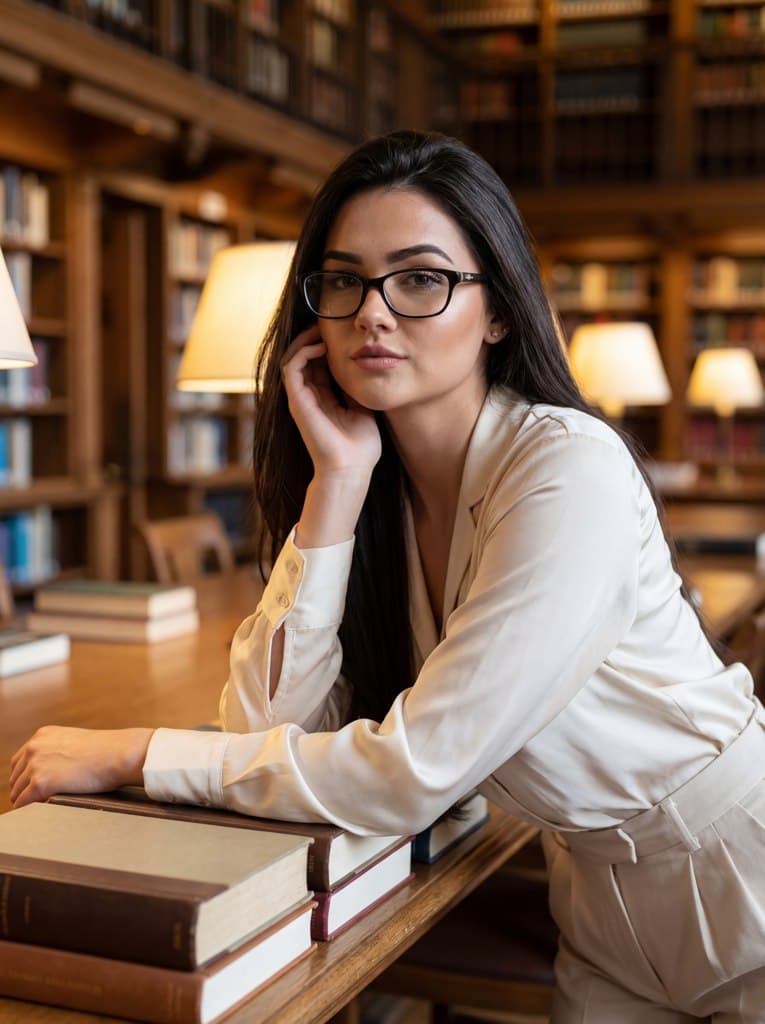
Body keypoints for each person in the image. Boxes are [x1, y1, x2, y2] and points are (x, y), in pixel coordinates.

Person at [9, 130, 765, 1022]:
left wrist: (135, 753)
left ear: (497, 311)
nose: (373, 313)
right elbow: (264, 724)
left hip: (740, 878)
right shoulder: (384, 493)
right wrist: (336, 485)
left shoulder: (567, 471)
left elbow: (415, 769)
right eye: (343, 281)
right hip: (596, 907)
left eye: (419, 280)